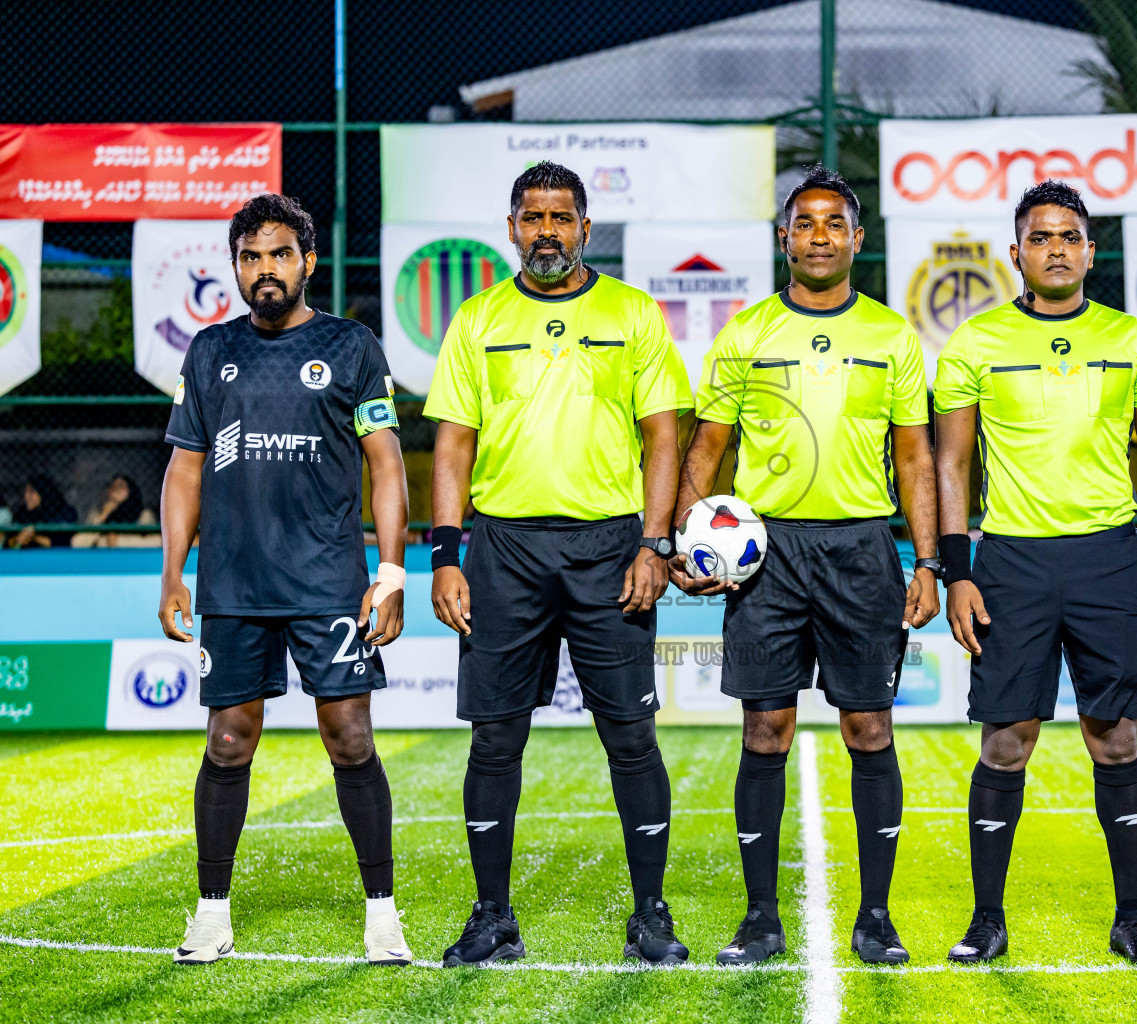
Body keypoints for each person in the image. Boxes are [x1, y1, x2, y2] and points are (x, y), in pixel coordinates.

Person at [425, 161, 694, 967]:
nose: (547, 231)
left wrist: (654, 542)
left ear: (585, 227)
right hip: (503, 549)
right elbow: (452, 444)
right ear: (511, 228)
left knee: (630, 736)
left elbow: (663, 437)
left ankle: (650, 913)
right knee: (495, 739)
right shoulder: (476, 319)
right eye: (532, 217)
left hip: (610, 548)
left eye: (561, 217)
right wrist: (445, 555)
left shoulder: (632, 312)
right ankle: (491, 915)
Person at [674, 165, 940, 966]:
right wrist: (685, 541)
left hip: (862, 550)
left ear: (858, 240)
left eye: (835, 224)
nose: (819, 236)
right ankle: (759, 918)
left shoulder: (892, 335)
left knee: (868, 726)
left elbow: (916, 459)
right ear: (783, 237)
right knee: (767, 727)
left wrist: (926, 560)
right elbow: (706, 448)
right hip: (767, 559)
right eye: (805, 223)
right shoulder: (746, 332)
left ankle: (877, 917)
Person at [933, 179, 1137, 965]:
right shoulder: (974, 343)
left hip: (1110, 559)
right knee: (1005, 743)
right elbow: (950, 463)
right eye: (1040, 237)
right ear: (1015, 253)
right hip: (1010, 560)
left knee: (1114, 739)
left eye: (1070, 237)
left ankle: (1133, 918)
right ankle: (986, 919)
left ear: (1090, 251)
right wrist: (958, 571)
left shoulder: (1131, 339)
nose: (1056, 248)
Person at [158, 193, 411, 966]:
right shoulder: (210, 352)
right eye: (249, 257)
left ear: (306, 261)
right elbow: (184, 469)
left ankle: (382, 914)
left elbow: (386, 462)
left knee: (351, 737)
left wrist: (393, 570)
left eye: (277, 255)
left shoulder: (351, 345)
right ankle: (210, 913)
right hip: (233, 585)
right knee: (229, 742)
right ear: (235, 267)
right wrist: (173, 571)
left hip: (328, 583)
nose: (263, 270)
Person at [71, 474, 161, 548]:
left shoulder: (143, 514)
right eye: (111, 487)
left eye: (120, 486)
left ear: (130, 491)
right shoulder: (98, 514)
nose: (115, 490)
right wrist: (104, 515)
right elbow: (77, 543)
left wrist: (118, 541)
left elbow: (156, 542)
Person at [7, 475, 77, 548]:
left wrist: (34, 537)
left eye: (32, 492)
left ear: (43, 493)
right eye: (26, 492)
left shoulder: (63, 513)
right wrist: (18, 540)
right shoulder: (22, 514)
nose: (27, 496)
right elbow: (8, 544)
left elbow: (63, 543)